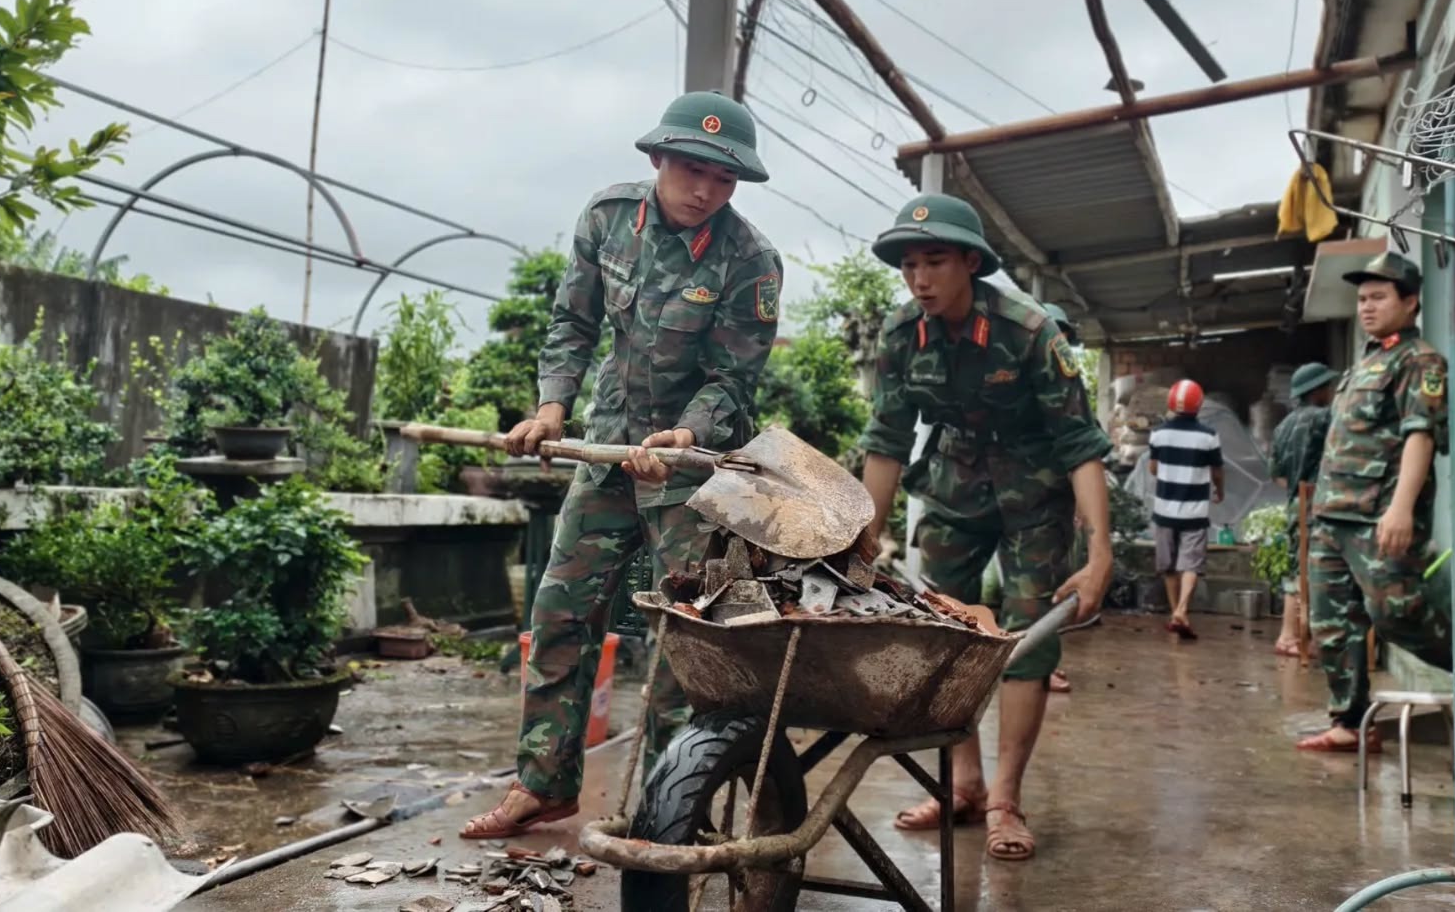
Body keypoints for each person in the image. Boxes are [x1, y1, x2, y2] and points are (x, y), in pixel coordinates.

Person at [460, 91, 783, 839]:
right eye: (693, 168)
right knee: (559, 613)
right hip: (606, 449)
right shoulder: (607, 218)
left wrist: (683, 434)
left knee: (683, 641)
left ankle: (671, 809)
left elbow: (731, 382)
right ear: (657, 158)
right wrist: (549, 410)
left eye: (724, 178)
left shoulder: (751, 261)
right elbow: (572, 321)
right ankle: (543, 784)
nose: (705, 189)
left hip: (691, 468)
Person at [856, 193, 1113, 862]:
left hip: (1035, 494)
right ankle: (963, 785)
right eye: (909, 263)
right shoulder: (899, 333)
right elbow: (885, 442)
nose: (920, 277)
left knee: (1025, 642)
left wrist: (1100, 551)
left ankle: (1006, 798)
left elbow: (1081, 442)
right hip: (953, 486)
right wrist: (862, 533)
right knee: (949, 633)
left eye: (935, 260)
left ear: (971, 261)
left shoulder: (1028, 329)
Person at [1296, 252, 1455, 755]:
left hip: (1379, 515)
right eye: (1362, 299)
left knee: (1397, 614)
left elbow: (1419, 438)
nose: (1367, 307)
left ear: (1411, 301)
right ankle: (1350, 722)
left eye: (1378, 297)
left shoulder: (1420, 361)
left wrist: (1399, 509)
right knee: (1333, 623)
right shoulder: (1368, 361)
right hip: (1333, 515)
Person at [1041, 302, 1095, 694]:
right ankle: (1041, 665)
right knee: (1039, 590)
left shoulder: (1065, 381)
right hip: (1028, 504)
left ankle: (1043, 663)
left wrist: (1081, 503)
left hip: (1053, 500)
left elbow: (1080, 451)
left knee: (1050, 587)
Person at [1268, 361, 1337, 656]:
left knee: (1298, 567)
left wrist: (1298, 491)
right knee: (1313, 570)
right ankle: (1292, 636)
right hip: (1320, 502)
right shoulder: (1325, 419)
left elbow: (1277, 475)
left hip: (1296, 502)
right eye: (1327, 387)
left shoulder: (1283, 425)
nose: (1331, 391)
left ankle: (1292, 635)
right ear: (1318, 390)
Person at [1149, 380, 1223, 640]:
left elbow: (1153, 468)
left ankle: (1175, 612)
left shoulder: (1158, 434)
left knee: (1168, 565)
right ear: (1199, 405)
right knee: (1191, 563)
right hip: (1195, 510)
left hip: (1164, 508)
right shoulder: (1209, 436)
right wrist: (1219, 490)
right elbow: (1217, 471)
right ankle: (1182, 610)